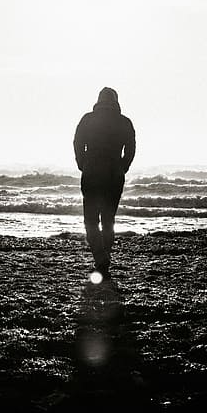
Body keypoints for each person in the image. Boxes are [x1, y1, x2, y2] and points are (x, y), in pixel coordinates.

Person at [73, 87, 136, 276]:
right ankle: (104, 256)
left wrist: (82, 163)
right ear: (116, 100)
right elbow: (131, 148)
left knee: (91, 220)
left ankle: (101, 258)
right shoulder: (124, 122)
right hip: (114, 174)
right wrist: (123, 166)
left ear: (99, 100)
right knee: (108, 220)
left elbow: (77, 143)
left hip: (91, 172)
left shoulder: (88, 119)